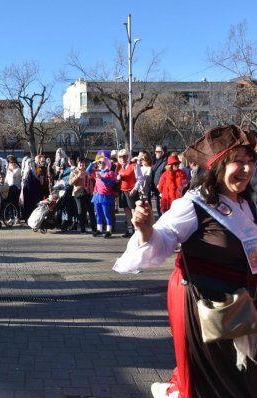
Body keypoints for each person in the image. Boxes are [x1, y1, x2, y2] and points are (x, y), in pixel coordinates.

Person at [114, 125, 257, 398]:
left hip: (243, 304)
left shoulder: (248, 205)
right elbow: (164, 240)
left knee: (243, 379)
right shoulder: (195, 204)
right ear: (218, 165)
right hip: (204, 304)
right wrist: (146, 229)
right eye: (238, 161)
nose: (247, 169)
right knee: (216, 382)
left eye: (251, 162)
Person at [87, 156, 116, 238]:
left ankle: (109, 231)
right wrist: (92, 163)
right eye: (99, 163)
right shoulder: (97, 171)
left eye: (101, 162)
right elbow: (87, 171)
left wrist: (102, 178)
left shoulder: (110, 173)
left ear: (106, 163)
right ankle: (99, 230)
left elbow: (111, 183)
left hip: (105, 196)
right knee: (98, 214)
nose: (99, 164)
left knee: (107, 214)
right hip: (97, 195)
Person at [116, 149, 142, 238]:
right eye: (120, 156)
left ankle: (137, 230)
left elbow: (140, 179)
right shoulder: (119, 166)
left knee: (134, 211)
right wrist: (117, 178)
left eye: (124, 156)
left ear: (128, 156)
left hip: (131, 191)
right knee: (126, 211)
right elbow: (116, 178)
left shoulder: (134, 165)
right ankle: (130, 230)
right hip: (122, 191)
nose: (122, 158)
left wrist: (135, 189)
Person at [69, 157, 96, 234]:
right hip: (78, 193)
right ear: (77, 163)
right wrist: (77, 176)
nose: (82, 164)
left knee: (91, 211)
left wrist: (92, 178)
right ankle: (82, 230)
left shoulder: (88, 171)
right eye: (80, 163)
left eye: (83, 163)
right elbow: (70, 183)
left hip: (89, 193)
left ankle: (94, 229)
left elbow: (94, 181)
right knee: (81, 211)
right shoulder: (74, 172)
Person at [150, 145, 168, 217]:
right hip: (157, 190)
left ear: (163, 152)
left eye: (157, 151)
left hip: (163, 191)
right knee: (159, 208)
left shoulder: (166, 162)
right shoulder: (157, 161)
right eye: (155, 151)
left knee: (162, 210)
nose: (155, 153)